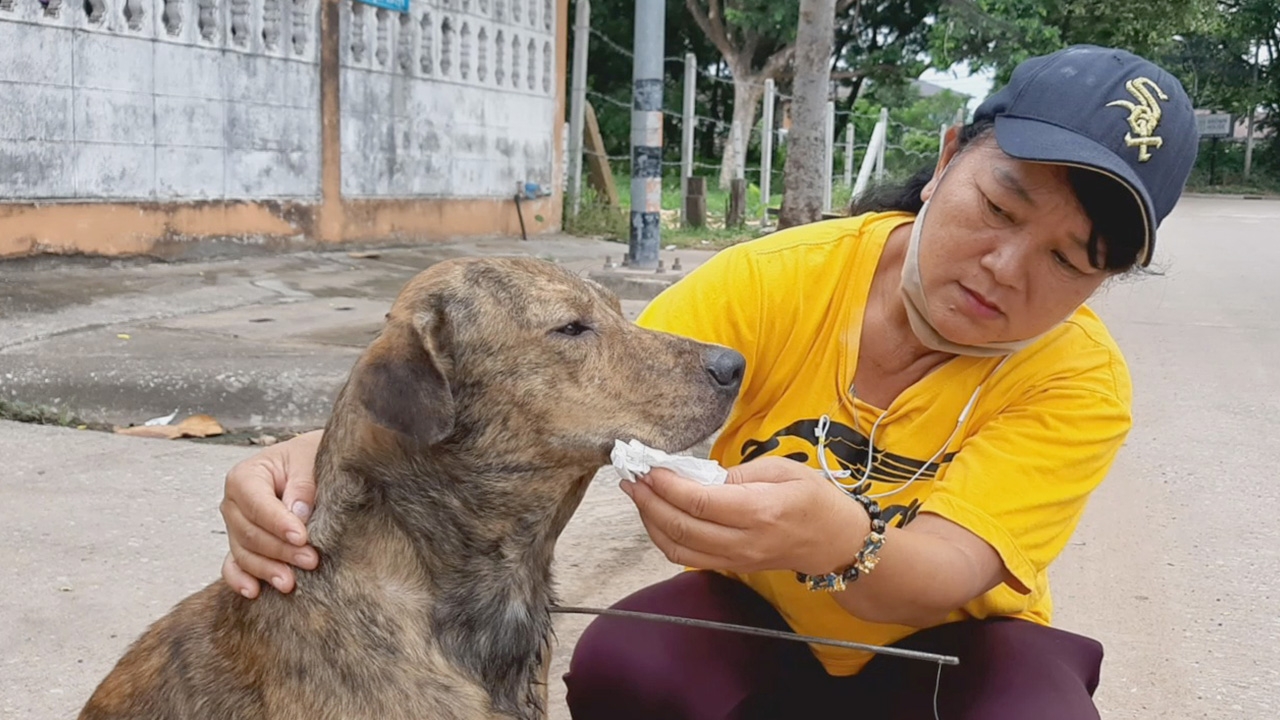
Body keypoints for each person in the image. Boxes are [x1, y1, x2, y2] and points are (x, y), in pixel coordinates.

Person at [217, 45, 1198, 719]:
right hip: (762, 624)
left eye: (1068, 260)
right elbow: (551, 382)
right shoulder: (778, 280)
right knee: (632, 663)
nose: (1004, 268)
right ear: (946, 160)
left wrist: (842, 541)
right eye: (1000, 207)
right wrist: (312, 462)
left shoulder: (1077, 378)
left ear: (1103, 281)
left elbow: (946, 568)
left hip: (946, 653)